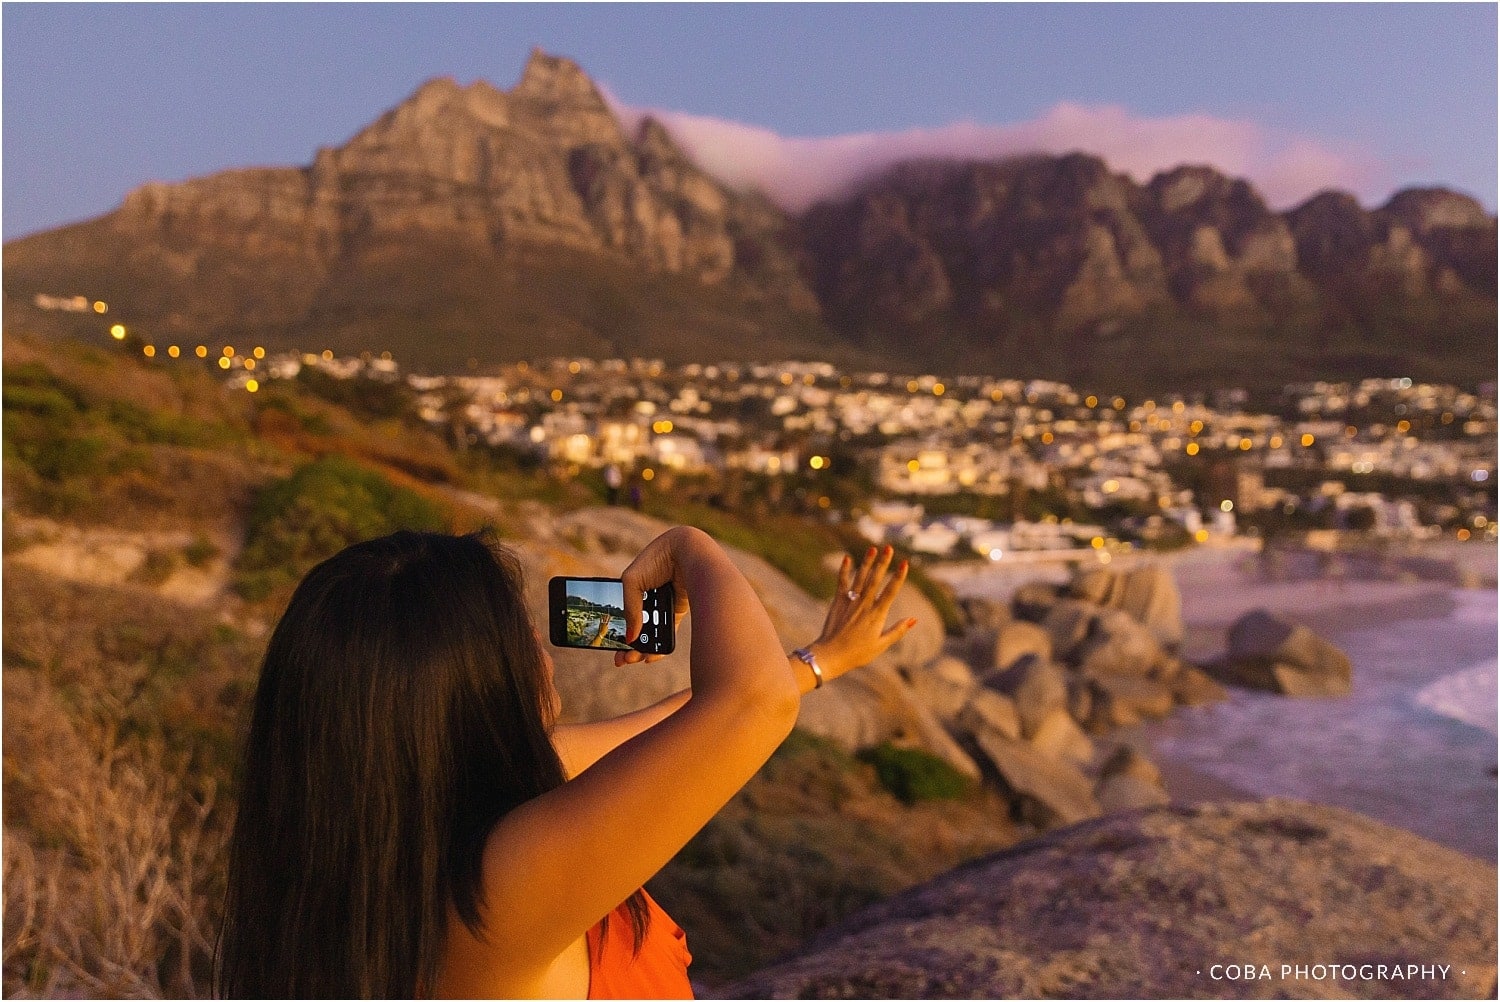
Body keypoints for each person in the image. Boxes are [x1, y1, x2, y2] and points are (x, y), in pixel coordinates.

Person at [215, 527, 915, 998]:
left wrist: (819, 662)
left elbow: (676, 727)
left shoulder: (393, 833)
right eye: (523, 644)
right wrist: (690, 548)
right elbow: (747, 707)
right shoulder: (501, 884)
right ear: (464, 688)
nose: (545, 660)